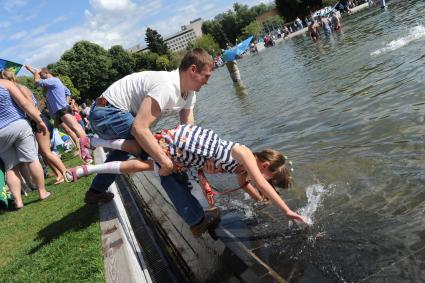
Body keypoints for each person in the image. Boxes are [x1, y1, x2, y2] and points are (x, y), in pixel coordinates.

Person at [83, 48, 218, 236]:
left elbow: (189, 134)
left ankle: (96, 190)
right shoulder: (167, 86)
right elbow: (140, 128)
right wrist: (164, 160)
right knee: (161, 159)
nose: (207, 82)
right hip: (106, 113)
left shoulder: (189, 93)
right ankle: (196, 220)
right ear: (193, 69)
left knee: (156, 150)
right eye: (206, 76)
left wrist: (202, 158)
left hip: (119, 113)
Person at [65, 124, 307, 226]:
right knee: (140, 150)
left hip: (191, 157)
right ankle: (93, 142)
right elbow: (260, 184)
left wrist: (260, 201)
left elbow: (245, 185)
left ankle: (89, 164)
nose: (267, 180)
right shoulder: (244, 154)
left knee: (144, 161)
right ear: (265, 164)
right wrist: (285, 210)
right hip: (191, 144)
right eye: (270, 176)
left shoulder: (244, 170)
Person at [1, 70, 67, 184]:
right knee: (43, 152)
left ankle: (66, 172)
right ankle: (59, 174)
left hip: (37, 120)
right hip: (34, 121)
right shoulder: (16, 88)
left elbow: (29, 105)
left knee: (46, 152)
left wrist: (36, 120)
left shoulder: (20, 89)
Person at [0, 74, 51, 209]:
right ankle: (42, 192)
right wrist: (39, 120)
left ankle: (18, 201)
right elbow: (24, 103)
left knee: (10, 167)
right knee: (32, 159)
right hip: (18, 125)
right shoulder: (5, 83)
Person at [24, 65, 92, 164]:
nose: (41, 77)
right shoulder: (53, 82)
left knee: (75, 127)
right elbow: (66, 91)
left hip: (62, 109)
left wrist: (35, 74)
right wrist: (31, 69)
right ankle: (85, 149)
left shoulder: (53, 80)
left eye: (42, 75)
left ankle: (87, 150)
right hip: (59, 111)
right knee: (71, 128)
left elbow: (37, 81)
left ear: (46, 73)